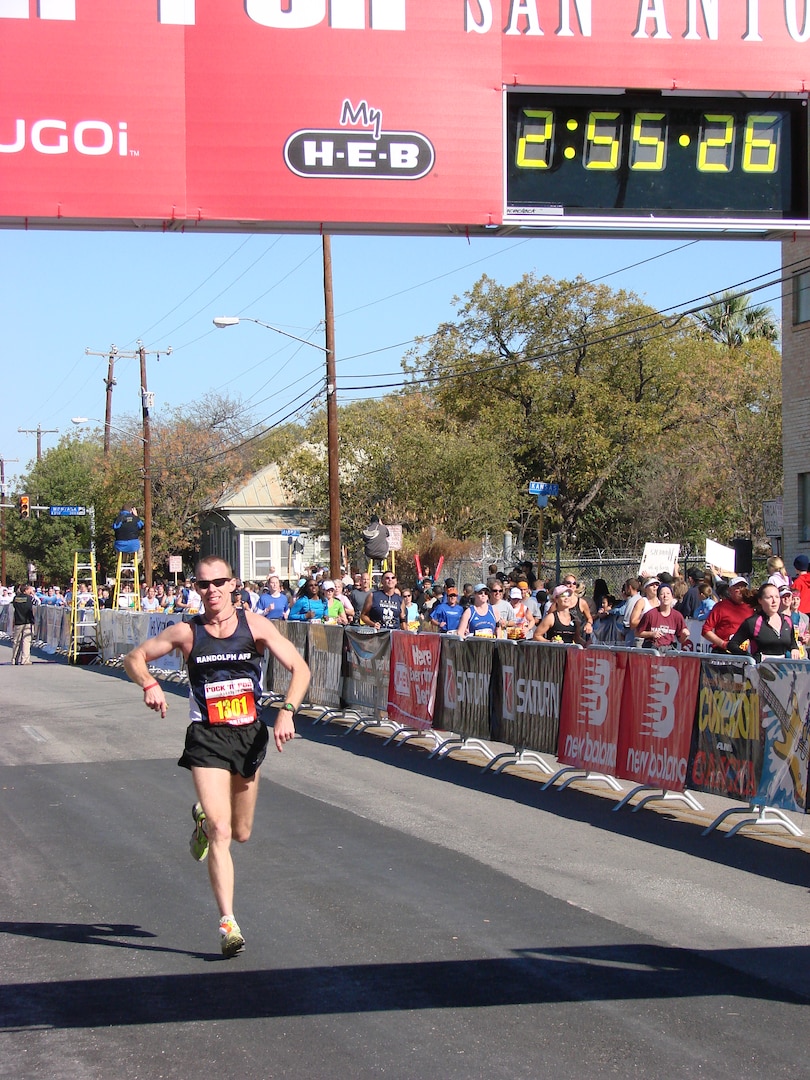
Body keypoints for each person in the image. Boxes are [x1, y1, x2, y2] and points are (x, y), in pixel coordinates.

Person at [123, 556, 310, 958]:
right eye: (202, 584)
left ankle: (203, 819)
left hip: (248, 735)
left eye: (217, 583)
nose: (210, 591)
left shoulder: (256, 626)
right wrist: (149, 683)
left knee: (241, 832)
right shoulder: (186, 632)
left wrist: (287, 711)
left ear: (233, 585)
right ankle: (228, 922)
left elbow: (300, 668)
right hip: (206, 737)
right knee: (223, 834)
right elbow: (134, 657)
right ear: (196, 587)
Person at [727, 583, 800, 661]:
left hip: (782, 669)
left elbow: (793, 643)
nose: (774, 601)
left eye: (777, 597)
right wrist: (749, 658)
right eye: (769, 597)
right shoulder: (753, 622)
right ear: (760, 600)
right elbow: (732, 645)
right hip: (760, 669)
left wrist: (794, 648)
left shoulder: (787, 620)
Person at [701, 576, 756, 653]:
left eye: (743, 587)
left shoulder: (751, 607)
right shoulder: (721, 606)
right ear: (730, 590)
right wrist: (723, 644)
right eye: (738, 588)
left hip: (745, 652)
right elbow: (706, 630)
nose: (741, 590)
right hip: (723, 652)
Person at [635, 582, 691, 650]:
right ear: (658, 597)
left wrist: (684, 635)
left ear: (672, 596)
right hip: (652, 651)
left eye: (668, 593)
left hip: (669, 652)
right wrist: (651, 634)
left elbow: (680, 640)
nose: (665, 596)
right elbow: (638, 633)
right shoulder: (650, 614)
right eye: (662, 594)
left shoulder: (677, 616)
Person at [12, 583, 37, 664]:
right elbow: (38, 602)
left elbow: (14, 606)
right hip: (27, 621)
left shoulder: (15, 598)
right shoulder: (30, 598)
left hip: (18, 621)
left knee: (16, 641)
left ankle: (14, 659)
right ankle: (25, 660)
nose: (31, 591)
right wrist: (33, 595)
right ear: (26, 590)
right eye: (30, 589)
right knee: (26, 641)